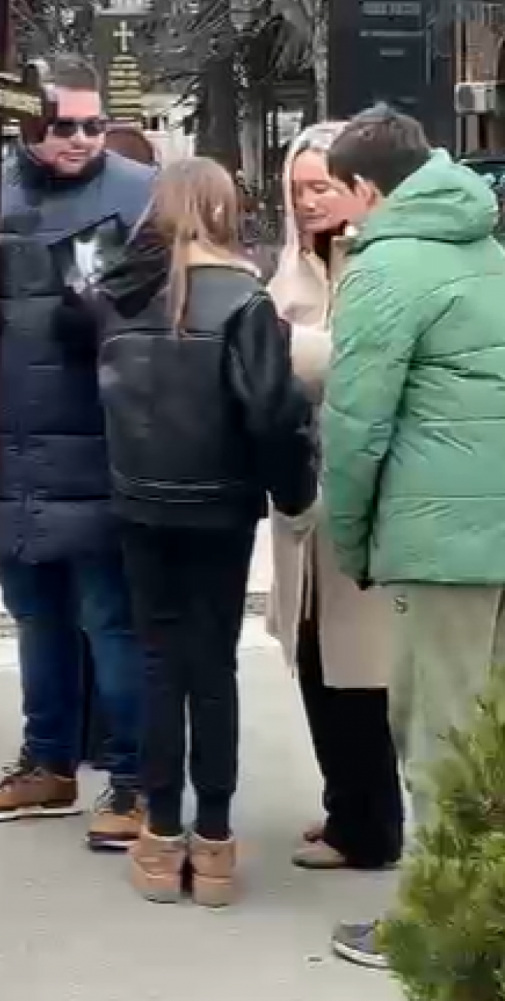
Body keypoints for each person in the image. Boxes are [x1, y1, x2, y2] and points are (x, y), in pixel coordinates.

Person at [0, 55, 155, 851]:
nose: (82, 139)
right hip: (9, 451)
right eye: (63, 126)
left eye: (94, 124)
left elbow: (175, 300)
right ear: (26, 125)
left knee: (112, 622)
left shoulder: (138, 191)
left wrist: (110, 320)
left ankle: (137, 782)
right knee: (36, 619)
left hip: (103, 445)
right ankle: (48, 763)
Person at [95, 157, 317, 905]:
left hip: (140, 504)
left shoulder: (121, 296)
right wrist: (294, 495)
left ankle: (161, 836)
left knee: (159, 665)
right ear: (225, 210)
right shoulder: (246, 301)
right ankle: (214, 844)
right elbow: (274, 415)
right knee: (213, 669)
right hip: (221, 506)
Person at [320, 106, 505, 968]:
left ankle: (440, 931)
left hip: (443, 543)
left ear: (366, 187)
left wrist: (351, 539)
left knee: (439, 736)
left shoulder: (387, 267)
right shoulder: (487, 245)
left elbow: (356, 426)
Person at [268, 123, 403, 873]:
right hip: (301, 501)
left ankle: (373, 827)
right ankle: (344, 808)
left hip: (365, 496)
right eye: (298, 190)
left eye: (321, 186)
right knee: (316, 659)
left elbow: (363, 363)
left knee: (362, 672)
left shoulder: (382, 265)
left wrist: (282, 350)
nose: (309, 202)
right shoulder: (292, 268)